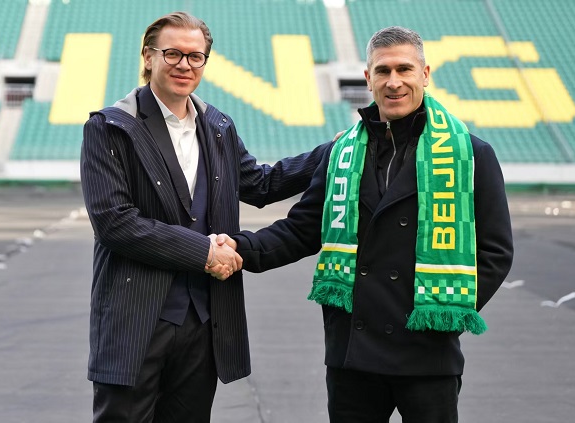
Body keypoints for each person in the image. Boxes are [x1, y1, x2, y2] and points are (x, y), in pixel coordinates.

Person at [223, 26, 514, 422]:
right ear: (368, 78)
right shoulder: (341, 153)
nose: (394, 82)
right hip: (353, 354)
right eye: (383, 71)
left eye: (404, 69)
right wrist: (238, 250)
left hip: (427, 353)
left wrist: (445, 315)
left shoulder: (471, 154)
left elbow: (495, 252)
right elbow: (301, 230)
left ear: (425, 74)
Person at [80, 11, 332, 422]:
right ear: (148, 57)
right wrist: (204, 251)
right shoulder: (110, 126)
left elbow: (261, 184)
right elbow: (115, 223)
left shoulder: (218, 126)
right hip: (135, 320)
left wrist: (334, 150)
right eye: (173, 54)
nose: (185, 65)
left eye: (195, 56)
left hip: (204, 321)